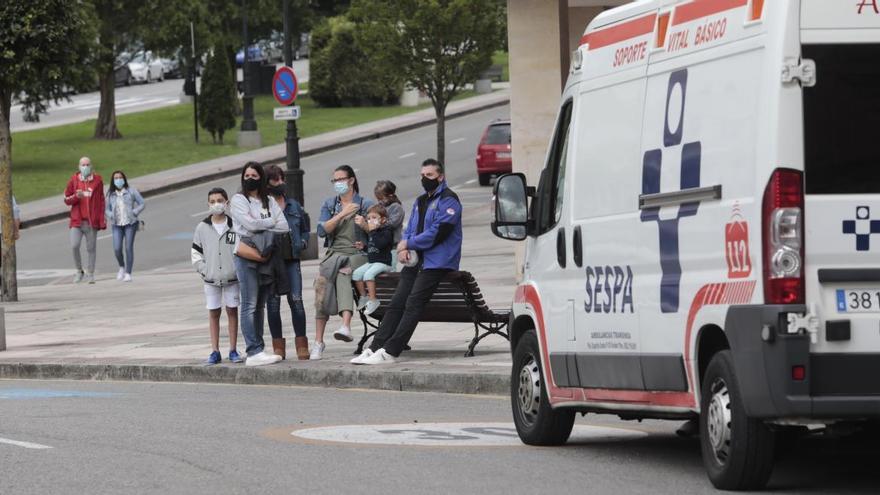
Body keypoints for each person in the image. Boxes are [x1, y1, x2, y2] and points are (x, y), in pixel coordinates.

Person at [352, 158, 463, 365]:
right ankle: (375, 348)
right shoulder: (421, 201)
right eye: (422, 175)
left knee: (413, 303)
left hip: (437, 262)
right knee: (396, 303)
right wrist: (406, 245)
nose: (425, 179)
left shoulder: (449, 200)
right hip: (416, 260)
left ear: (441, 177)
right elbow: (410, 226)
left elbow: (439, 232)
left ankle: (391, 352)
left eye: (429, 175)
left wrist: (409, 243)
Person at [229, 162, 290, 367]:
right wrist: (269, 223)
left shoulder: (269, 200)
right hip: (246, 255)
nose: (250, 178)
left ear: (261, 177)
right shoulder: (238, 200)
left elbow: (284, 226)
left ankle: (259, 348)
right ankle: (253, 350)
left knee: (260, 305)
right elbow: (249, 225)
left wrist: (262, 224)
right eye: (246, 175)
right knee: (249, 303)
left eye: (254, 175)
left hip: (267, 254)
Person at [311, 165, 374, 360]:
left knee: (344, 271)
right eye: (334, 181)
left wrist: (365, 226)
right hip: (334, 253)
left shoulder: (365, 203)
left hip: (357, 254)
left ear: (351, 180)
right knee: (322, 283)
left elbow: (377, 229)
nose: (337, 184)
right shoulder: (330, 205)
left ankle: (346, 325)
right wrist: (341, 214)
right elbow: (322, 231)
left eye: (341, 179)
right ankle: (318, 342)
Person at [191, 187, 243, 365]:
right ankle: (215, 350)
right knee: (213, 312)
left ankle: (233, 349)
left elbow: (240, 249)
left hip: (231, 278)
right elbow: (196, 254)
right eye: (212, 201)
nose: (216, 204)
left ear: (227, 203)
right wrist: (205, 270)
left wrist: (237, 269)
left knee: (232, 311)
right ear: (208, 204)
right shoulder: (202, 227)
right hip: (211, 279)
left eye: (220, 200)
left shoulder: (234, 225)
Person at [264, 165, 310, 360]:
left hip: (292, 259)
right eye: (276, 180)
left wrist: (303, 241)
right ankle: (278, 346)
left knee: (296, 300)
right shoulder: (262, 206)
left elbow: (305, 227)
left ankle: (301, 344)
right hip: (271, 261)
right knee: (273, 304)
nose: (281, 183)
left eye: (282, 179)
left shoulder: (293, 205)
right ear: (267, 183)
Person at [63, 157, 106, 284]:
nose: (85, 167)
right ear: (79, 166)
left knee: (91, 248)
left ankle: (90, 273)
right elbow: (66, 199)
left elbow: (101, 201)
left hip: (91, 221)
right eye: (83, 165)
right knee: (74, 245)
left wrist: (101, 219)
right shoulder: (74, 180)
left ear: (91, 166)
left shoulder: (97, 180)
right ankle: (79, 270)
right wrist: (76, 196)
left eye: (87, 165)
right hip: (77, 221)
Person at [352, 204, 394, 315]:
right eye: (369, 218)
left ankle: (373, 300)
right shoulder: (373, 232)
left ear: (383, 219)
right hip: (372, 262)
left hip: (384, 263)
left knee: (368, 275)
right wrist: (364, 247)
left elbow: (381, 245)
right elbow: (373, 248)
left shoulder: (387, 231)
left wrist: (373, 231)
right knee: (356, 274)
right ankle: (364, 297)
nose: (370, 221)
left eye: (374, 218)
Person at [105, 170, 145, 282]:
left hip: (130, 223)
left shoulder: (131, 191)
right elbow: (106, 209)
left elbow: (142, 203)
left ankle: (128, 273)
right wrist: (110, 215)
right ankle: (121, 267)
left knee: (128, 247)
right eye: (116, 178)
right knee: (117, 248)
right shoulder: (110, 194)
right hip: (116, 224)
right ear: (113, 181)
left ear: (124, 179)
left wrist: (135, 212)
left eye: (120, 177)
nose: (118, 180)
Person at [371, 180, 405, 269]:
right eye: (378, 199)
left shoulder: (396, 207)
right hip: (384, 244)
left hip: (394, 244)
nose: (380, 201)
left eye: (381, 199)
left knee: (392, 266)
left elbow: (392, 223)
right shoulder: (381, 207)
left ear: (390, 196)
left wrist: (378, 223)